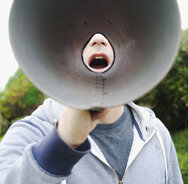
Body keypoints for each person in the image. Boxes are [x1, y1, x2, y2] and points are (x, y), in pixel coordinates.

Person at [0, 33, 183, 184]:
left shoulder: (156, 132)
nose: (97, 38)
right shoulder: (30, 133)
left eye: (111, 30)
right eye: (83, 32)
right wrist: (61, 144)